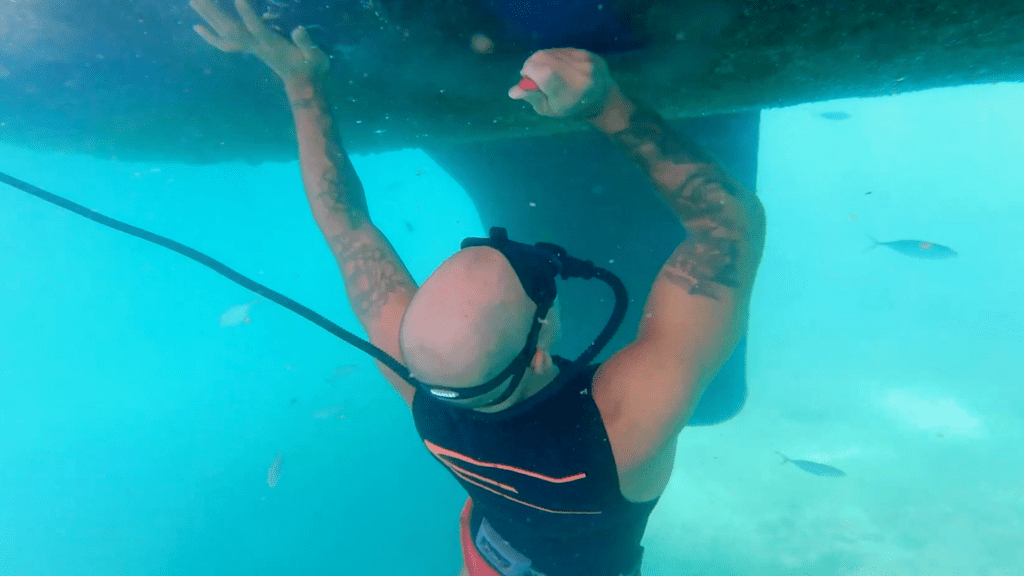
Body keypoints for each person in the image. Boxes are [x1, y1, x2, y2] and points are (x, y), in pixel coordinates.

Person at [189, 1, 766, 575]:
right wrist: (605, 105)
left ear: (410, 348)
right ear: (541, 343)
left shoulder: (414, 382)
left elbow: (347, 227)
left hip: (493, 544)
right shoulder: (626, 423)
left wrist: (298, 79)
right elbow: (730, 224)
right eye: (529, 272)